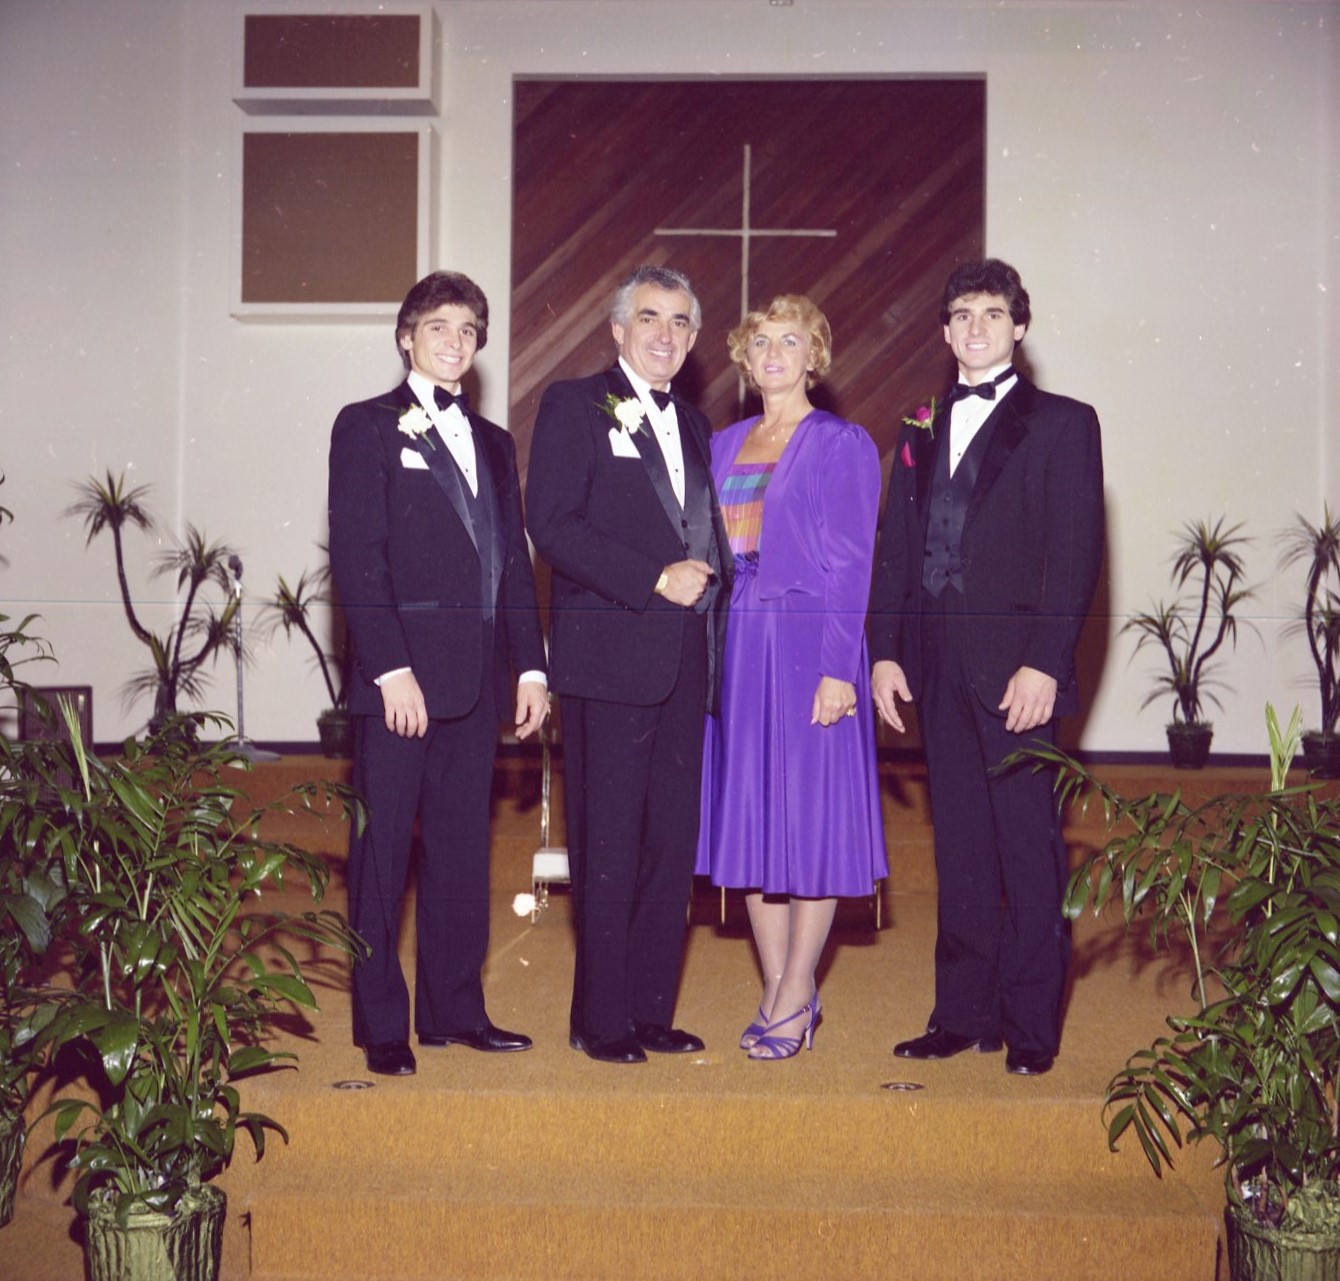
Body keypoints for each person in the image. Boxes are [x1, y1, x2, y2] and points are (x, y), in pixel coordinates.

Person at [869, 258, 1104, 1077]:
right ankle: (960, 1013)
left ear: (1020, 328)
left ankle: (1032, 1024)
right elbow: (896, 549)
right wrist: (887, 650)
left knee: (1027, 849)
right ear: (944, 331)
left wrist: (1045, 663)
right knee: (960, 846)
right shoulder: (919, 425)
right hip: (935, 669)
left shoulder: (1065, 424)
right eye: (962, 314)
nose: (976, 327)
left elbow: (1074, 557)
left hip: (1017, 674)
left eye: (993, 314)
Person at [329, 270, 549, 1077]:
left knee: (461, 852)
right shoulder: (366, 425)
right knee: (383, 851)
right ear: (406, 338)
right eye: (439, 328)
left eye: (468, 330)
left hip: (476, 685)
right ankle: (380, 1021)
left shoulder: (494, 441)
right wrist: (390, 670)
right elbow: (359, 559)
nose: (455, 342)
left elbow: (512, 569)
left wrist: (531, 666)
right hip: (401, 685)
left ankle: (456, 1009)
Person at [526, 265, 731, 1065]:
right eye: (650, 317)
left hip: (685, 665)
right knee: (607, 847)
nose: (664, 333)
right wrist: (652, 578)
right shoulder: (574, 405)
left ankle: (650, 1011)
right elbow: (553, 524)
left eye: (680, 322)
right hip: (609, 661)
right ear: (617, 329)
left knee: (667, 847)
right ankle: (599, 1019)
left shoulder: (698, 426)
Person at [696, 295, 887, 1060]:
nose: (775, 352)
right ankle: (776, 984)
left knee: (808, 818)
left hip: (811, 643)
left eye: (792, 340)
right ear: (744, 357)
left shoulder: (841, 442)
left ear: (815, 356)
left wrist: (841, 669)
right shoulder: (723, 443)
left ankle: (801, 985)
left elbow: (852, 564)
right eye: (761, 340)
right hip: (738, 639)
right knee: (749, 815)